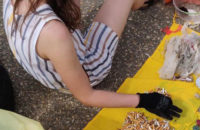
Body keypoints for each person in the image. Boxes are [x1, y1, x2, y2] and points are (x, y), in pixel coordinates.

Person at [3, 0, 182, 120]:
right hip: (85, 71)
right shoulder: (54, 32)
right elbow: (87, 96)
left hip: (46, 67)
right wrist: (144, 100)